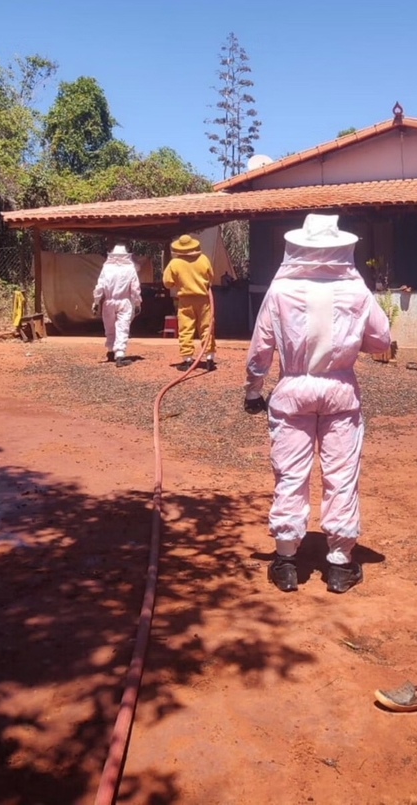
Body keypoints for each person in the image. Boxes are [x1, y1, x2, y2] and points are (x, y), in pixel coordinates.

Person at [244, 214, 391, 594]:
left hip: (292, 389)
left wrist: (253, 390)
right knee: (341, 475)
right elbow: (381, 341)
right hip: (340, 391)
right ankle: (340, 564)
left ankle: (286, 561)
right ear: (342, 248)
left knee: (290, 474)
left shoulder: (280, 292)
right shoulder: (356, 291)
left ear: (298, 248)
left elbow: (260, 350)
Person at [162, 234, 216, 372]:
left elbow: (167, 283)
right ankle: (209, 357)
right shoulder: (203, 259)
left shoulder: (174, 263)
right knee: (206, 327)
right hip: (204, 299)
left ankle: (187, 360)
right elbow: (211, 276)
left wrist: (180, 281)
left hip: (186, 300)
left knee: (186, 329)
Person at [91, 244, 142, 367]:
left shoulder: (107, 267)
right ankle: (119, 354)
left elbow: (100, 286)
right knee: (122, 327)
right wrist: (137, 302)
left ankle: (110, 351)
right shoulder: (130, 268)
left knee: (109, 327)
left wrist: (96, 301)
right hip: (124, 301)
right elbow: (135, 288)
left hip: (108, 302)